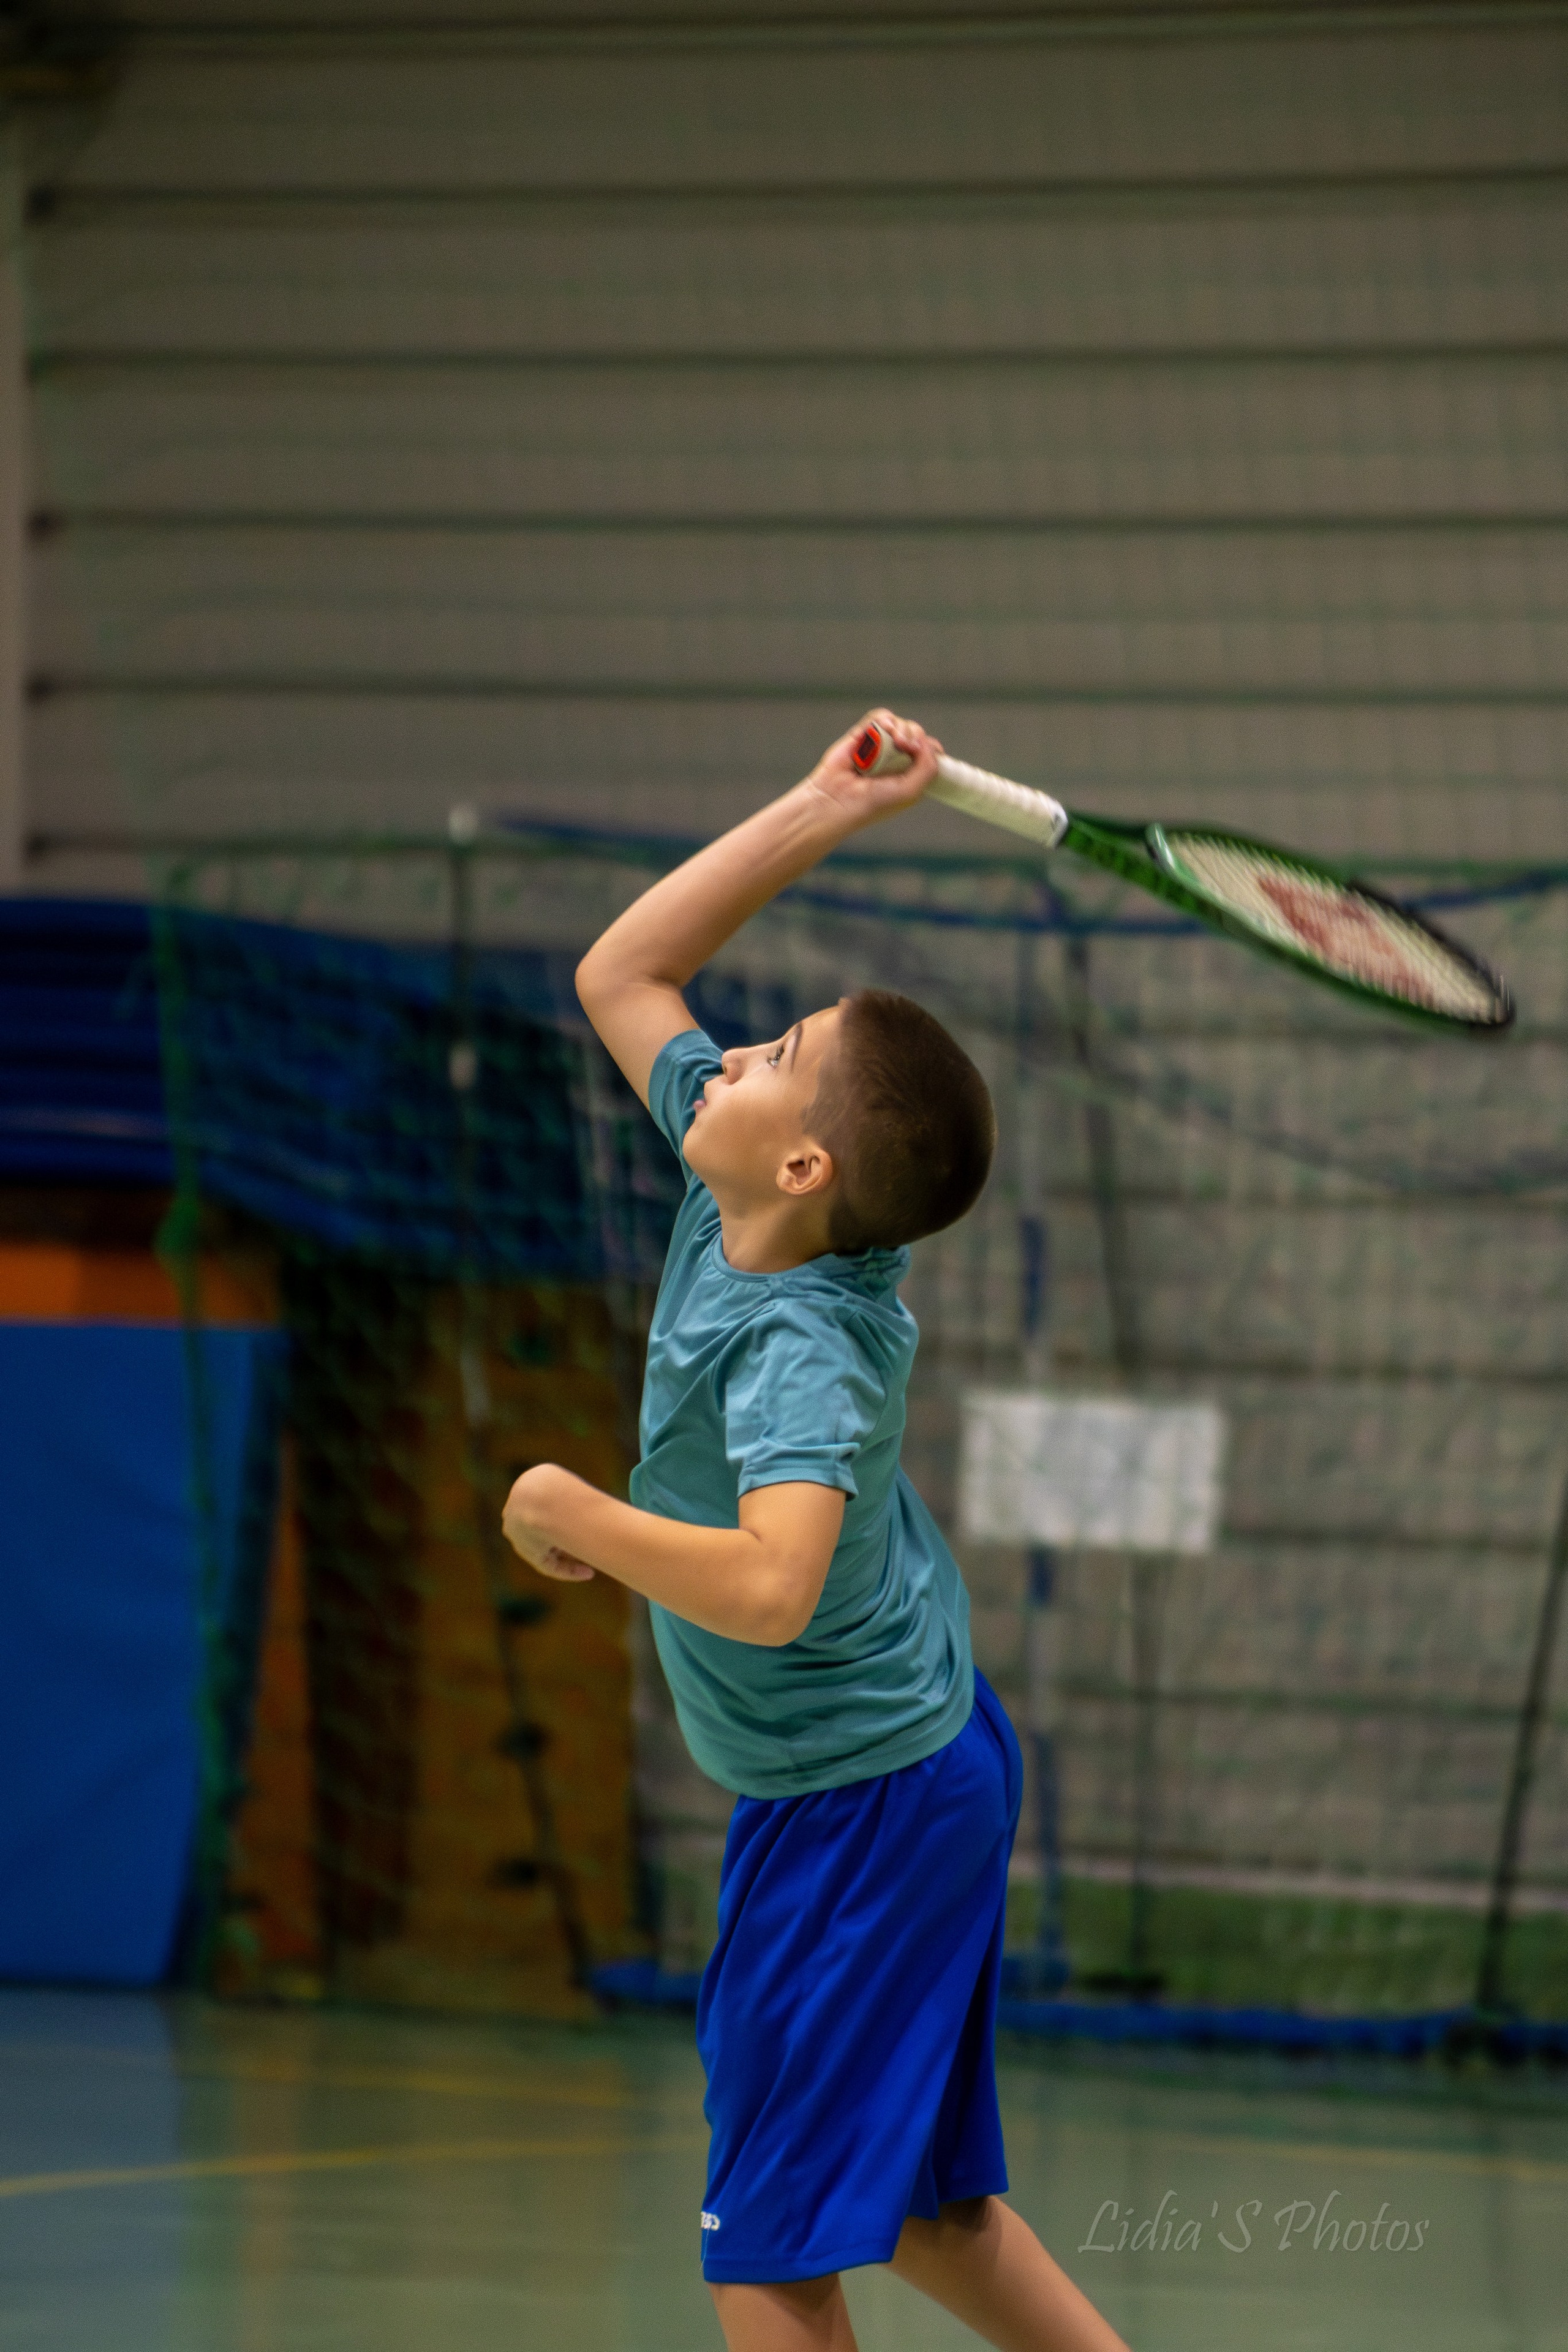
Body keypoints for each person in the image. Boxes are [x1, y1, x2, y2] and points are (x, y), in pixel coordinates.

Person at [502, 712, 1129, 2352]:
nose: (733, 1043)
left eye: (774, 1050)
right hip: (889, 1778)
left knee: (768, 2246)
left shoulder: (804, 1350)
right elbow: (621, 976)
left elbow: (775, 1590)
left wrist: (584, 1516)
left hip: (863, 1805)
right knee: (917, 2212)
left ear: (802, 1160)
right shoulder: (746, 1202)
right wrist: (822, 809)